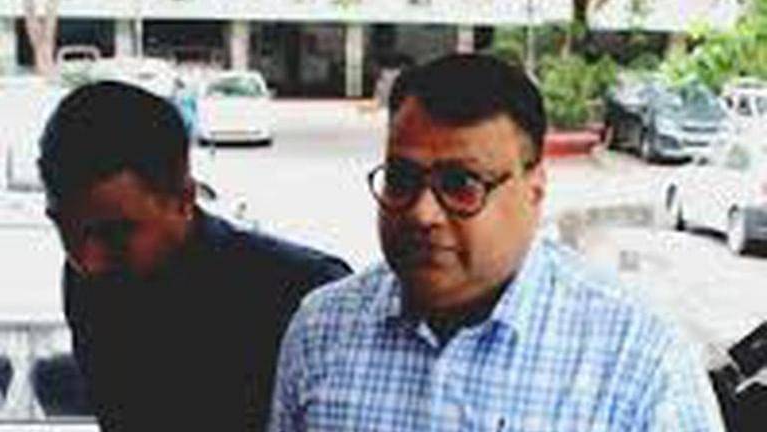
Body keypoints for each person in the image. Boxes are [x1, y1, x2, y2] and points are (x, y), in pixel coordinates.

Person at [269, 54, 725, 431]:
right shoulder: (322, 330)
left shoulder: (639, 359)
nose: (422, 213)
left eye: (460, 184)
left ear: (534, 190)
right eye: (402, 179)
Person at [37, 81, 351, 431]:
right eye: (66, 228)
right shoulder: (89, 281)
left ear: (184, 200)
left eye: (115, 234)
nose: (88, 261)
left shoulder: (304, 297)